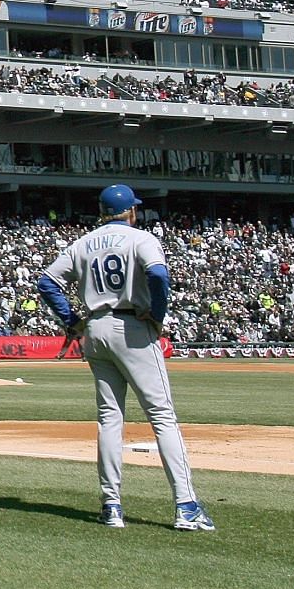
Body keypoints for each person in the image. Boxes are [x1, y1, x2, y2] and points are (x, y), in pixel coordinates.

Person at [38, 184, 214, 532]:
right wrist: (158, 314)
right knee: (162, 415)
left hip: (96, 328)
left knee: (109, 419)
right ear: (130, 211)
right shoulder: (141, 239)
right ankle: (186, 506)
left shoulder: (82, 243)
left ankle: (111, 506)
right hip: (132, 326)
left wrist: (72, 322)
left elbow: (47, 282)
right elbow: (159, 275)